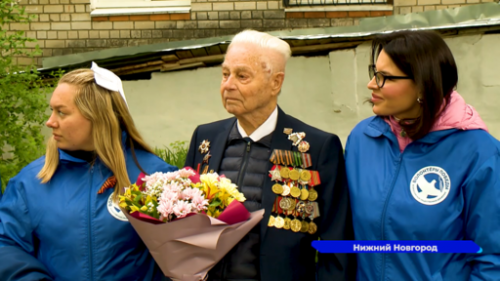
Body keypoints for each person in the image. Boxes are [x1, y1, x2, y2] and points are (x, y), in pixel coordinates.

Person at [184, 30, 356, 281]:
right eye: (225, 74)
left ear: (275, 82)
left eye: (242, 76)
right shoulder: (205, 139)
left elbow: (336, 246)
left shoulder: (317, 148)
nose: (228, 85)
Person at [345, 30, 500, 280]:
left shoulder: (480, 153)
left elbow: (493, 258)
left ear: (422, 83)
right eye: (374, 72)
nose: (372, 84)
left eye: (385, 77)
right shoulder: (362, 139)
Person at [0, 63, 177, 280]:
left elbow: (181, 256)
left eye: (61, 113)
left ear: (97, 117)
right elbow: (6, 245)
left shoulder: (155, 176)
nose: (50, 122)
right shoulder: (30, 182)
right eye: (52, 110)